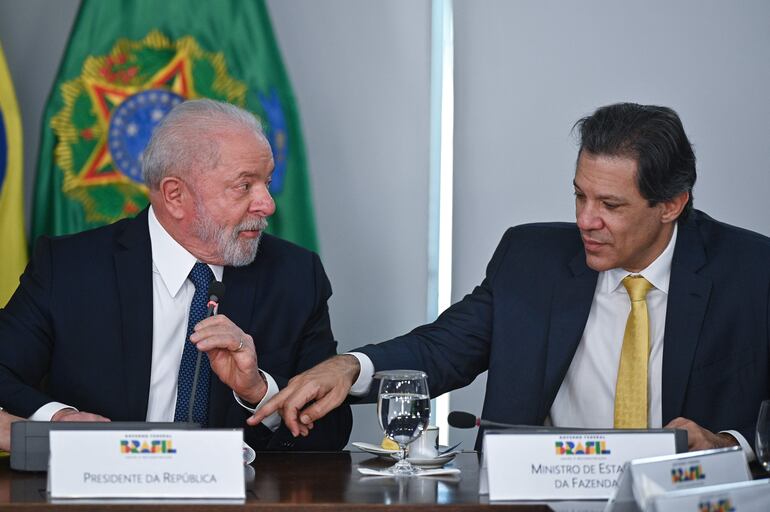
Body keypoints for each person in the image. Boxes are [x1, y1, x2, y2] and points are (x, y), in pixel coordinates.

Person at [251, 103, 770, 454]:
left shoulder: (751, 272)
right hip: (543, 499)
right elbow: (442, 349)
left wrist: (730, 445)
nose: (585, 220)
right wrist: (349, 367)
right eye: (579, 195)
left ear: (671, 205)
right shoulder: (532, 259)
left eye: (610, 205)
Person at [0, 98, 351, 450]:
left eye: (267, 182)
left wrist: (258, 391)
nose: (267, 204)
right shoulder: (70, 267)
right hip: (99, 494)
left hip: (241, 500)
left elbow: (332, 433)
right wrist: (58, 419)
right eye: (245, 186)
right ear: (174, 195)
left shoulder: (294, 275)